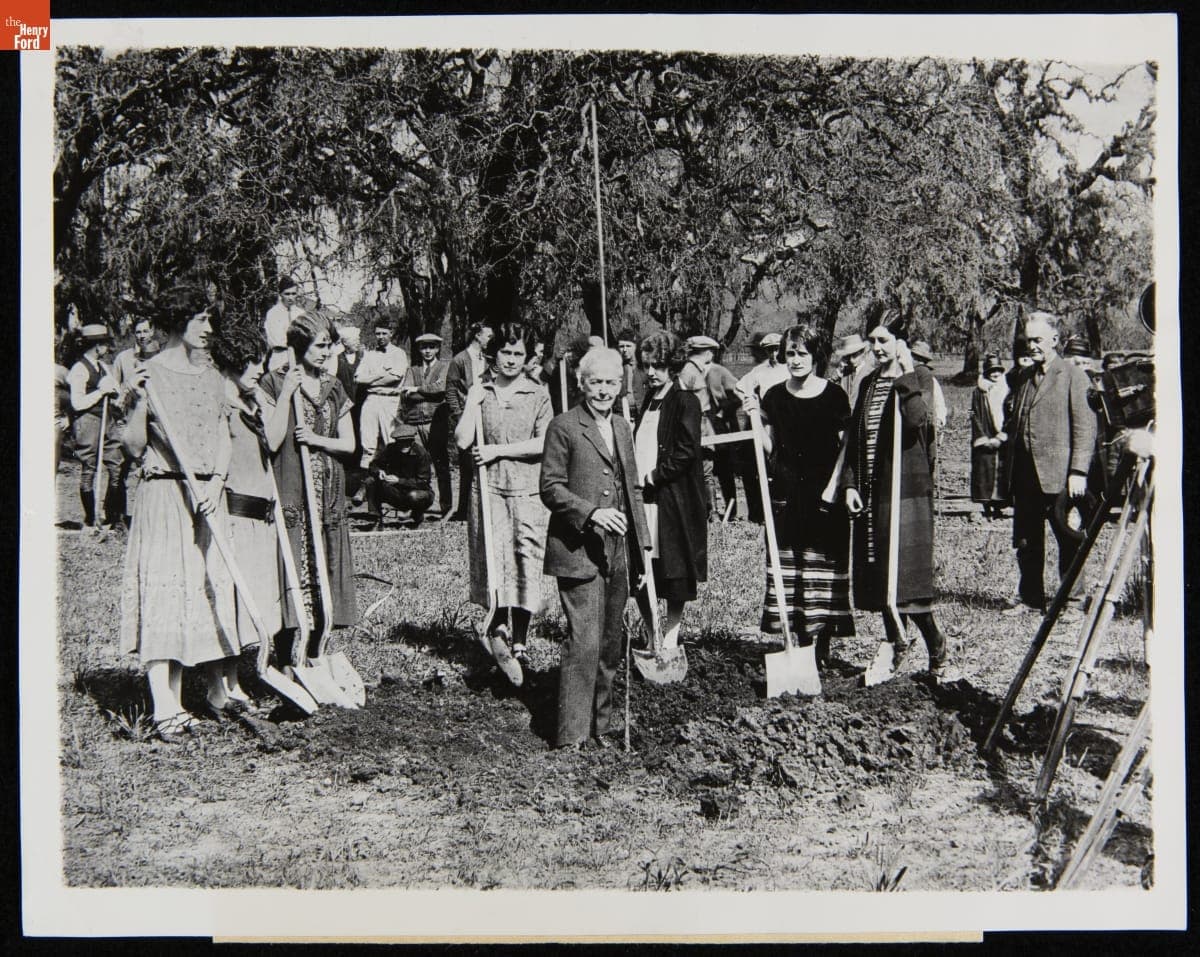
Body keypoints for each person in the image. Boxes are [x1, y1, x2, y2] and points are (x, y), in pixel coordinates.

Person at [119, 286, 248, 739]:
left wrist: (216, 480)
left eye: (211, 321)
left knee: (205, 586)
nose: (209, 330)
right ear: (177, 323)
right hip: (164, 493)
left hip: (205, 496)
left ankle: (213, 688)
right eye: (200, 321)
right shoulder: (147, 374)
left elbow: (223, 436)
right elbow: (133, 449)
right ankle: (163, 705)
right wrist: (136, 401)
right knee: (165, 590)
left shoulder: (212, 377)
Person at [540, 347, 652, 750]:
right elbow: (550, 488)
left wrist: (643, 547)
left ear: (621, 385)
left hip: (619, 552)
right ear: (580, 383)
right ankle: (571, 736)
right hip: (578, 550)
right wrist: (591, 515)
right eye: (595, 382)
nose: (603, 390)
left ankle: (600, 727)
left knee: (609, 642)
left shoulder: (622, 426)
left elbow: (634, 489)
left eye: (610, 383)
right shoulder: (564, 426)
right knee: (583, 641)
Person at [842, 309, 950, 678]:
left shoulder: (918, 377)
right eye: (872, 341)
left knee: (906, 579)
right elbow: (856, 438)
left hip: (905, 491)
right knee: (878, 573)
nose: (877, 347)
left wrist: (904, 376)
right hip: (873, 491)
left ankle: (935, 645)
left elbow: (919, 419)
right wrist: (851, 484)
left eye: (884, 340)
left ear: (900, 342)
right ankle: (896, 643)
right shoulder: (869, 382)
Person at [743, 324, 854, 668]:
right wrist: (752, 418)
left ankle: (821, 647)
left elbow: (847, 445)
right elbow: (770, 448)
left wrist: (836, 486)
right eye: (790, 353)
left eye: (802, 353)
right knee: (792, 572)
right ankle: (800, 645)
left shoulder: (834, 395)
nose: (795, 359)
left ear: (816, 355)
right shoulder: (775, 396)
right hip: (787, 495)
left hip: (824, 497)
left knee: (822, 571)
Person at [260, 311, 359, 664]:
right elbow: (270, 442)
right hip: (292, 489)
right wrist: (287, 394)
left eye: (330, 345)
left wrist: (316, 439)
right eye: (320, 345)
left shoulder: (334, 387)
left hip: (327, 491)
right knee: (291, 569)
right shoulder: (273, 383)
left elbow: (350, 445)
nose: (327, 352)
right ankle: (286, 658)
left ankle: (317, 654)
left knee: (324, 569)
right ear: (300, 347)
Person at [456, 323, 553, 666]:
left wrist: (498, 451)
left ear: (527, 358)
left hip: (527, 490)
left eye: (518, 354)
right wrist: (471, 401)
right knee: (495, 559)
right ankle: (498, 629)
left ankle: (522, 641)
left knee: (524, 559)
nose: (511, 360)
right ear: (494, 355)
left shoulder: (538, 393)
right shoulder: (481, 390)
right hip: (490, 490)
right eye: (506, 353)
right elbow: (462, 440)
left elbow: (545, 442)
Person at [1001, 312, 1097, 615]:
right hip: (1026, 476)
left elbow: (1085, 427)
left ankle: (1072, 603)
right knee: (1028, 541)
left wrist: (1078, 471)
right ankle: (1031, 598)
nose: (1031, 346)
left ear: (1054, 340)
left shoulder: (1072, 375)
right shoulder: (1024, 377)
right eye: (1027, 340)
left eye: (1037, 340)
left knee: (1068, 539)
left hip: (1060, 476)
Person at [209, 314, 284, 698]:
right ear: (236, 360)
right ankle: (220, 686)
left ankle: (234, 679)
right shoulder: (219, 400)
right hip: (234, 513)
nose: (259, 370)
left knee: (249, 603)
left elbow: (273, 441)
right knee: (230, 602)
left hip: (260, 514)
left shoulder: (251, 400)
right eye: (253, 362)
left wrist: (264, 399)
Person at [632, 331, 707, 651]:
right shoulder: (647, 402)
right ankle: (651, 633)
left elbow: (686, 451)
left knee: (674, 570)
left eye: (659, 366)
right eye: (647, 366)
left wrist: (654, 476)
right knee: (642, 568)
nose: (651, 373)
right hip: (643, 498)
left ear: (672, 365)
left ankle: (672, 633)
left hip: (672, 499)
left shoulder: (685, 401)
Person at [67, 323, 124, 527]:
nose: (107, 349)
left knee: (116, 465)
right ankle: (91, 519)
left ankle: (113, 516)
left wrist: (112, 390)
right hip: (87, 420)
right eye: (105, 345)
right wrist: (100, 392)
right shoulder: (79, 369)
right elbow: (77, 403)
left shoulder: (104, 367)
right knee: (89, 469)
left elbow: (115, 390)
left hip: (106, 419)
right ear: (97, 346)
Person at [111, 317, 161, 526]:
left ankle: (150, 517)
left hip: (152, 420)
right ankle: (117, 517)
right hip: (127, 418)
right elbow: (115, 387)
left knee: (150, 467)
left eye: (145, 331)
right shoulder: (124, 358)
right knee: (119, 468)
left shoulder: (160, 357)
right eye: (138, 332)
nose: (142, 336)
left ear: (152, 331)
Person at [736, 331, 788, 523]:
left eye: (777, 350)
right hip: (768, 419)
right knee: (770, 461)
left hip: (788, 418)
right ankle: (765, 511)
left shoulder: (790, 367)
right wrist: (753, 407)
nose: (774, 355)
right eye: (769, 351)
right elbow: (739, 388)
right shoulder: (760, 371)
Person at [445, 321, 495, 521]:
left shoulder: (489, 359)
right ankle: (464, 510)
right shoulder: (459, 360)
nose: (490, 340)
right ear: (478, 336)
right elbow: (450, 390)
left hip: (486, 416)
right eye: (488, 336)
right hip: (467, 417)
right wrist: (459, 416)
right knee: (466, 464)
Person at [401, 332, 452, 516]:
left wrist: (418, 389)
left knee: (441, 465)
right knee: (418, 467)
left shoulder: (444, 367)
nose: (428, 351)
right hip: (415, 423)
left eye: (432, 346)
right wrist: (421, 392)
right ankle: (419, 507)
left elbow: (442, 389)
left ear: (438, 348)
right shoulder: (412, 370)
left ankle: (446, 507)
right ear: (419, 349)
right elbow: (407, 394)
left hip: (435, 422)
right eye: (424, 347)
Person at [677, 334, 727, 517]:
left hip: (703, 423)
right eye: (711, 352)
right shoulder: (688, 372)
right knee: (704, 469)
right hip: (696, 424)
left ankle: (710, 511)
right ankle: (709, 512)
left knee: (707, 468)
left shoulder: (695, 370)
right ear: (707, 353)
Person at [353, 321, 409, 469]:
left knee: (391, 439)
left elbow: (395, 377)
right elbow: (358, 378)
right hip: (371, 399)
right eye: (378, 333)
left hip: (389, 400)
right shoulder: (369, 355)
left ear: (391, 333)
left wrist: (370, 379)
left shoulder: (399, 353)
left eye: (384, 333)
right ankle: (367, 481)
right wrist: (381, 374)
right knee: (367, 440)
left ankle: (394, 479)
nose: (381, 336)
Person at [362, 422, 435, 528]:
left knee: (414, 496)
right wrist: (379, 471)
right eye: (402, 442)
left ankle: (417, 515)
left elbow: (423, 482)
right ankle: (376, 518)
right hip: (395, 492)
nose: (405, 445)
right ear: (396, 442)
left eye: (408, 442)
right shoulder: (390, 449)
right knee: (370, 481)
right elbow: (373, 465)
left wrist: (399, 481)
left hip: (416, 492)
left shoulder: (421, 454)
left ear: (412, 441)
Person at [970, 354, 1010, 520]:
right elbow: (974, 414)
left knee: (1002, 472)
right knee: (984, 471)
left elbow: (1011, 413)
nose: (995, 374)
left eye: (998, 371)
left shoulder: (1007, 390)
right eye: (991, 371)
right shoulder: (979, 392)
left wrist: (1003, 435)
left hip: (1002, 437)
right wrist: (982, 436)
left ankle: (1000, 505)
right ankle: (986, 505)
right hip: (985, 436)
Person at [263, 277, 302, 372]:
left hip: (299, 358)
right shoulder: (273, 313)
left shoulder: (301, 313)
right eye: (287, 294)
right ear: (280, 294)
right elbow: (277, 340)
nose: (290, 297)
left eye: (293, 294)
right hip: (280, 357)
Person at [834, 333, 876, 410]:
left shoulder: (871, 373)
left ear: (862, 352)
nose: (851, 360)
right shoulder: (846, 372)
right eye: (848, 356)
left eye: (854, 355)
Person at [615, 327, 646, 415]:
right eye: (621, 346)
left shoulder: (644, 366)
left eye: (628, 346)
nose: (624, 350)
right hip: (620, 412)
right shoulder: (616, 367)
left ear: (636, 347)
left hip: (641, 412)